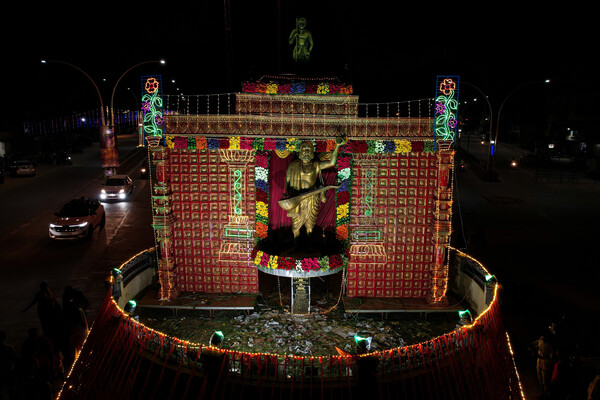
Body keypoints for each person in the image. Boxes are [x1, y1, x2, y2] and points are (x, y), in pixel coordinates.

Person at [283, 138, 344, 238]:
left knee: (310, 224)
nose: (306, 151)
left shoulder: (315, 165)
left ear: (312, 152)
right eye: (304, 149)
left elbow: (331, 163)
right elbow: (288, 181)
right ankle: (295, 242)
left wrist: (337, 146)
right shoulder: (293, 166)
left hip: (312, 198)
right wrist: (288, 195)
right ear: (300, 152)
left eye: (308, 149)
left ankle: (309, 242)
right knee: (296, 225)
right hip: (297, 198)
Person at [0, 330, 17, 400]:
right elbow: (15, 359)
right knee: (11, 391)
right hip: (9, 371)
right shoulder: (9, 348)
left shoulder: (9, 348)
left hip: (4, 372)